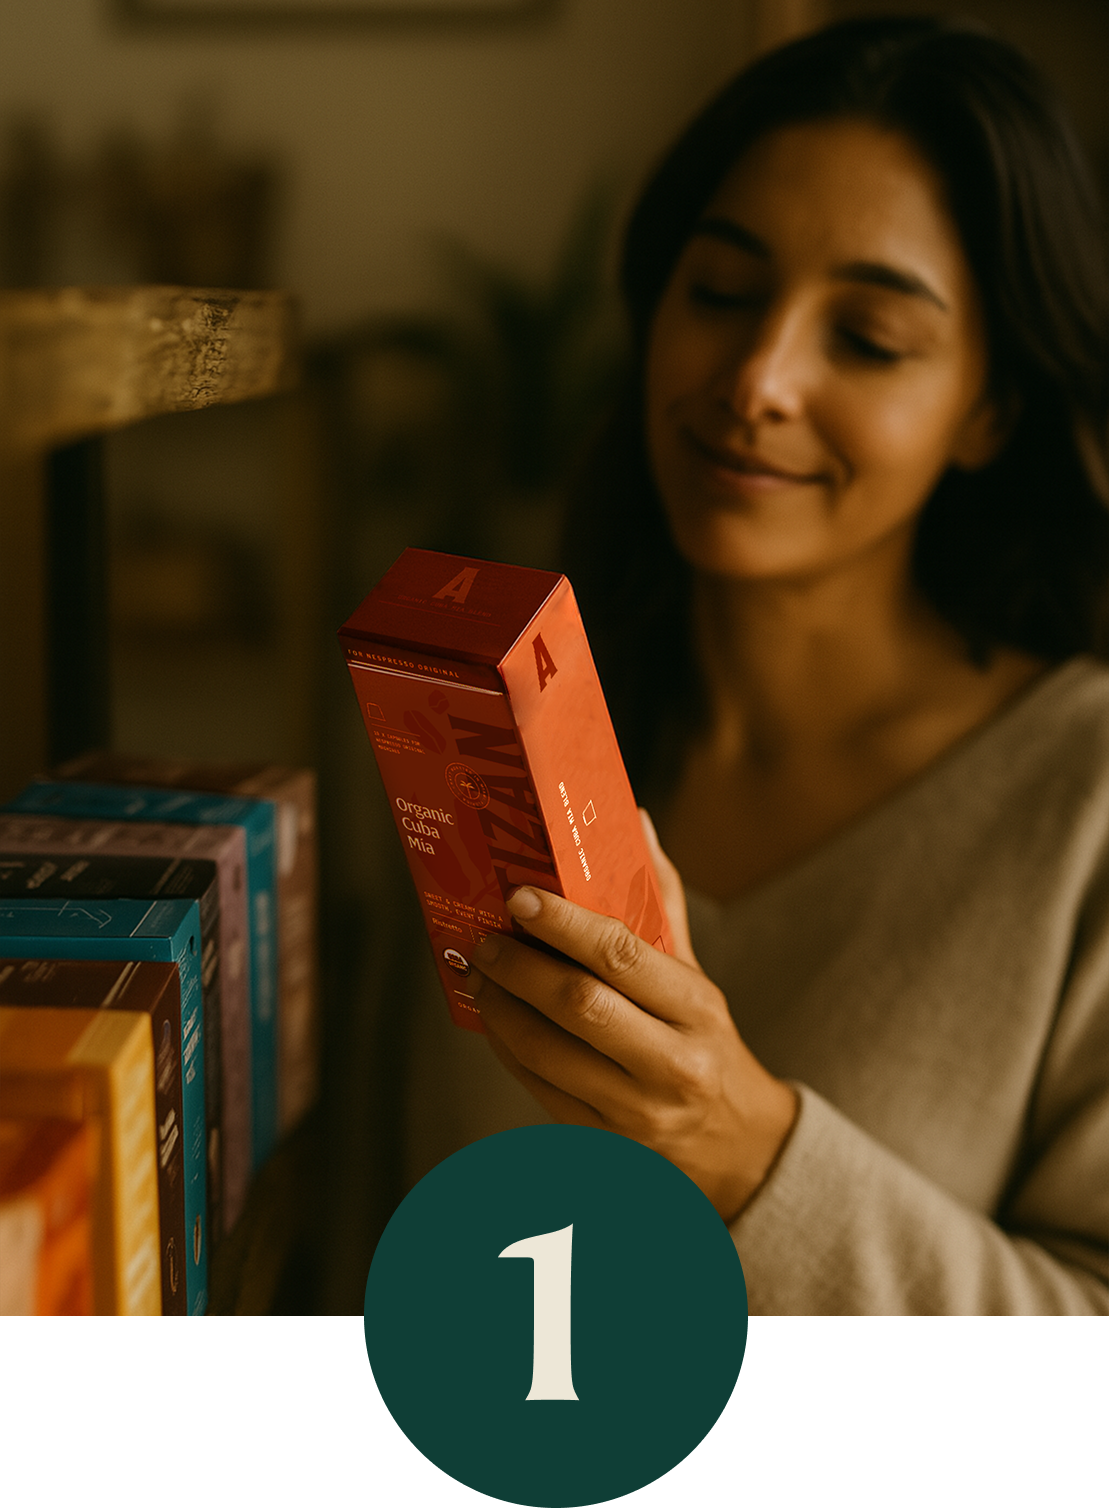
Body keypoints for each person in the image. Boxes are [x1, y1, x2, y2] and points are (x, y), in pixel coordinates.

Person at [465, 15, 1109, 1315]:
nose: (757, 377)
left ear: (988, 412)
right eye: (720, 293)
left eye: (867, 340)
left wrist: (745, 1148)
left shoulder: (1085, 798)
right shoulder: (495, 736)